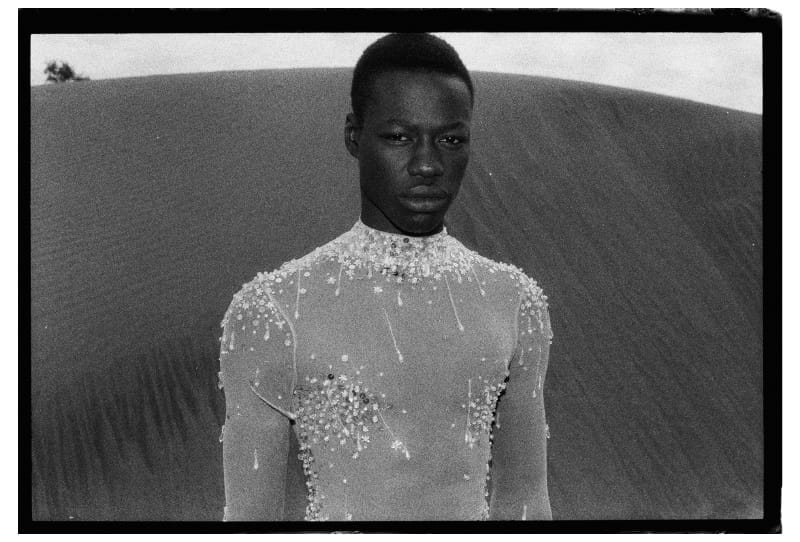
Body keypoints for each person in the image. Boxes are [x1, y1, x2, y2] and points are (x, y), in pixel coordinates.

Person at [218, 32, 553, 521]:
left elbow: (527, 506)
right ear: (354, 136)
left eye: (451, 139)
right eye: (399, 137)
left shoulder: (515, 302)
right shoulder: (272, 310)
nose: (427, 164)